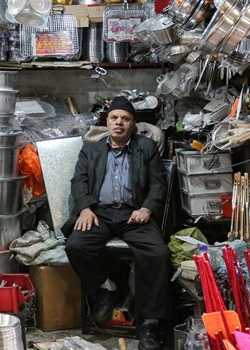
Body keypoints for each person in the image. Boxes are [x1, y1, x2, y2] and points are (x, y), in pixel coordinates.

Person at [62, 96, 171, 350]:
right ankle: (104, 287)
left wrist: (147, 208)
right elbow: (78, 182)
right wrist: (85, 208)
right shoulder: (91, 149)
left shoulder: (146, 147)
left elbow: (158, 184)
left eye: (125, 119)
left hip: (134, 214)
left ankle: (150, 323)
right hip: (100, 213)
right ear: (107, 122)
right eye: (114, 118)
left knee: (158, 254)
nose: (119, 123)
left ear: (133, 124)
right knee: (75, 246)